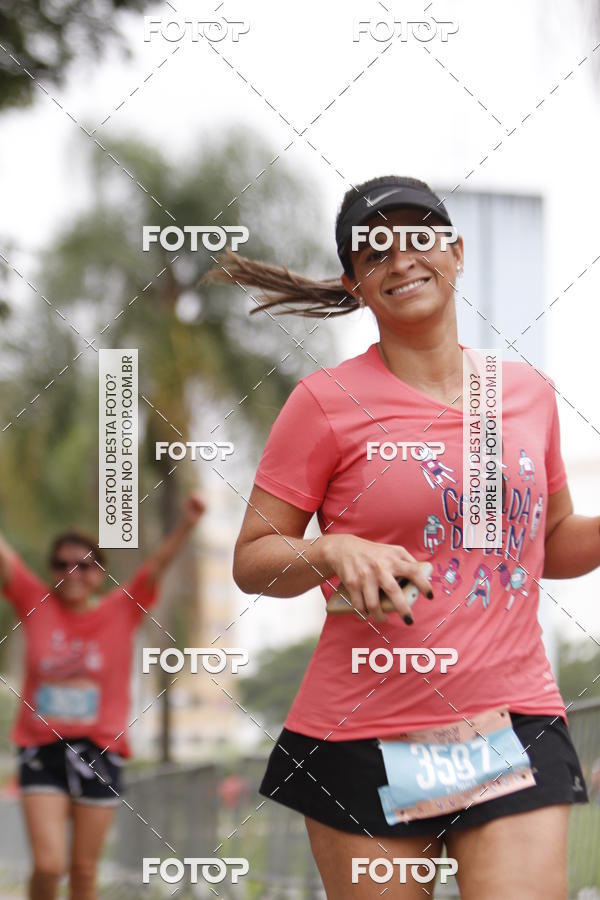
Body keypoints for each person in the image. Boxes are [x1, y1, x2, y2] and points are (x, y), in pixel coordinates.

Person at [205, 176, 596, 899]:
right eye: (375, 250)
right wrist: (331, 549)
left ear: (456, 253)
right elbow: (253, 560)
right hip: (365, 733)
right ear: (355, 284)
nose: (401, 258)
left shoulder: (523, 394)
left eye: (420, 237)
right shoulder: (324, 403)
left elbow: (555, 543)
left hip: (510, 719)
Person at [0, 492, 206, 900]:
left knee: (83, 870)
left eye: (84, 565)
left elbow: (157, 566)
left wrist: (187, 523)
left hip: (100, 752)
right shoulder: (34, 601)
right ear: (51, 570)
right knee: (49, 865)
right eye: (61, 564)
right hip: (42, 752)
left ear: (100, 572)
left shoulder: (121, 610)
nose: (72, 573)